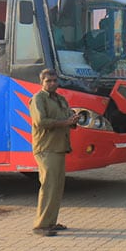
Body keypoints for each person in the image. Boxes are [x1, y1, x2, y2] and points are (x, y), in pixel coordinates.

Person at [29, 68, 79, 237]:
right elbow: (41, 121)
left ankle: (50, 222)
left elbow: (67, 118)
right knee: (49, 186)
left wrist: (72, 120)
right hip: (46, 148)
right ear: (41, 82)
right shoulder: (38, 99)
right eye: (48, 81)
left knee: (57, 187)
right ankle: (41, 225)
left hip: (59, 147)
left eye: (54, 80)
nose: (52, 83)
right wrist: (65, 121)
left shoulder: (61, 99)